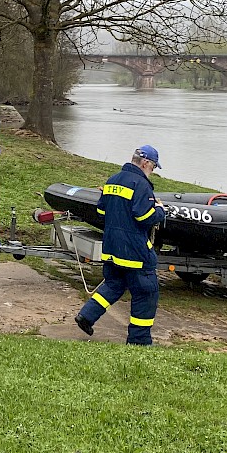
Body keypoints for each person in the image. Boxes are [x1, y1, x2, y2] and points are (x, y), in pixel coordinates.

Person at [74, 144, 166, 345]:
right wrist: (160, 210)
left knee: (114, 285)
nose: (152, 172)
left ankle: (86, 316)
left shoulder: (113, 180)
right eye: (153, 168)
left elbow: (101, 212)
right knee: (146, 292)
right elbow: (144, 216)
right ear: (145, 163)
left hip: (112, 247)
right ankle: (139, 341)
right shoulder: (141, 185)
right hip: (134, 252)